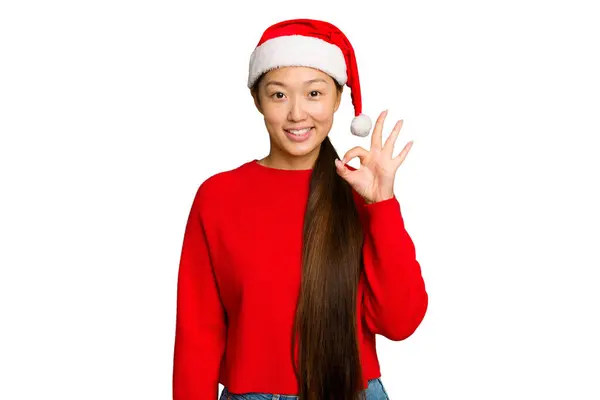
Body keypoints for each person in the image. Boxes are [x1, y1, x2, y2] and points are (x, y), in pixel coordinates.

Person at [172, 18, 428, 400]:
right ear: (257, 99)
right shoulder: (218, 196)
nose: (296, 114)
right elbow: (198, 334)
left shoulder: (361, 193)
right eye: (278, 95)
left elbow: (399, 321)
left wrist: (383, 206)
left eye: (314, 94)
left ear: (338, 99)